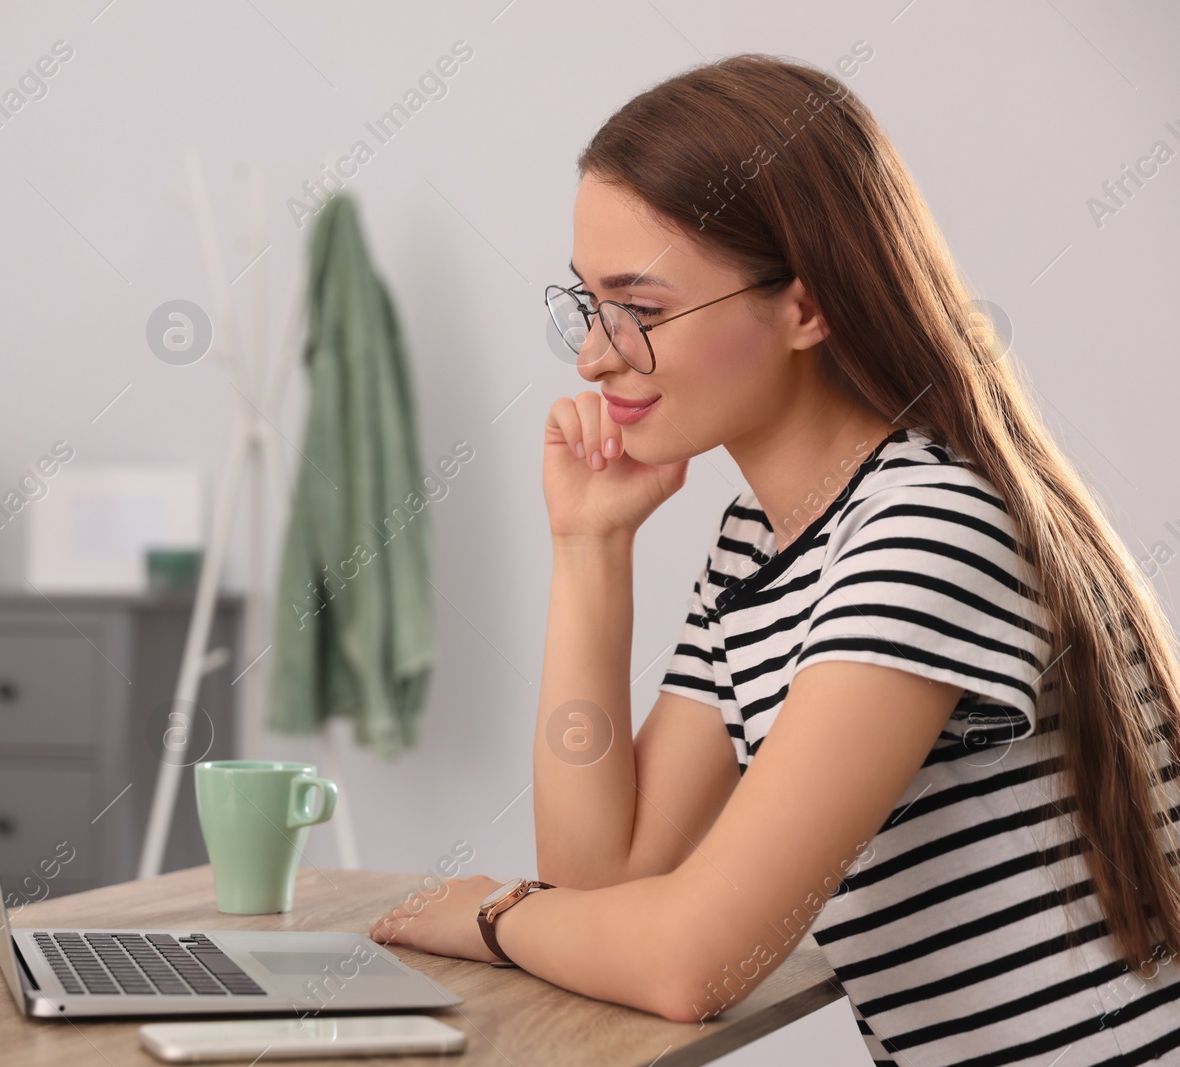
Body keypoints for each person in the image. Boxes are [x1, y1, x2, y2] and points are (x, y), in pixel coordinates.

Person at [369, 53, 1180, 1065]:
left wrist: (489, 913)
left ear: (803, 305)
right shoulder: (763, 544)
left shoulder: (925, 527)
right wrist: (589, 547)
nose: (592, 356)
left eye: (644, 310)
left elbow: (692, 963)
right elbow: (602, 884)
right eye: (587, 304)